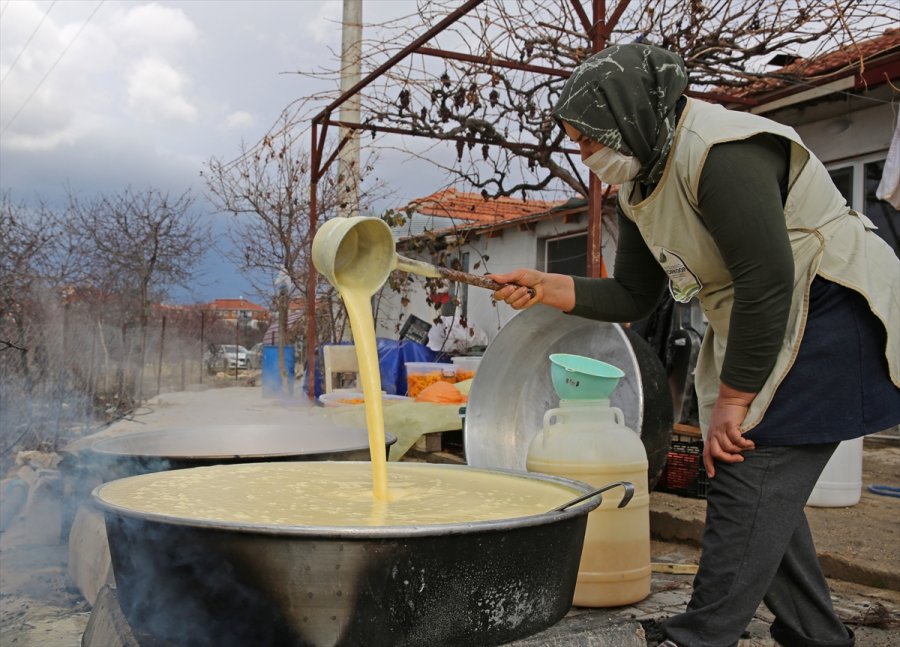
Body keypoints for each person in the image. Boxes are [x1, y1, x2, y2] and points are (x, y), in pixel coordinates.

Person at [490, 43, 899, 647]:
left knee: (743, 466)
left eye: (587, 139)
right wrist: (547, 284)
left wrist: (733, 400)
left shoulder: (720, 153)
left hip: (829, 306)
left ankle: (701, 636)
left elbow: (766, 280)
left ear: (626, 116)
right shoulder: (641, 183)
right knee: (764, 491)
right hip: (767, 319)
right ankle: (817, 635)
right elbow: (634, 294)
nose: (586, 155)